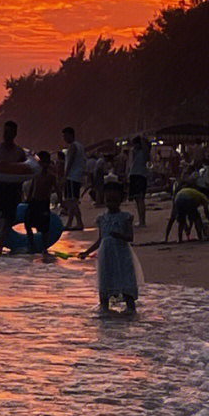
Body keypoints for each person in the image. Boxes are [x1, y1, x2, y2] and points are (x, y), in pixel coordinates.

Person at [80, 176, 139, 314]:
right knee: (107, 280)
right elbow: (100, 239)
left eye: (114, 200)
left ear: (120, 200)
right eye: (108, 200)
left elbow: (130, 237)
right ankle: (104, 310)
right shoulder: (102, 218)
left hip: (122, 255)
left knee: (125, 280)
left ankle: (130, 309)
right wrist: (86, 252)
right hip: (106, 255)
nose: (111, 203)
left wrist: (119, 236)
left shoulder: (126, 217)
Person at [0, 121, 29, 254]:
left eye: (10, 132)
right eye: (5, 131)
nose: (7, 135)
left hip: (11, 190)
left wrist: (21, 193)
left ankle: (0, 249)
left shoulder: (19, 153)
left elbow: (23, 173)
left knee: (7, 220)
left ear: (15, 134)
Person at [24, 150, 55, 259]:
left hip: (44, 202)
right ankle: (31, 244)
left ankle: (44, 248)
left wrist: (61, 200)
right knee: (28, 223)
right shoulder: (35, 174)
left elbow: (57, 189)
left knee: (44, 227)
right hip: (34, 201)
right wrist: (27, 200)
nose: (44, 164)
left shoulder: (51, 176)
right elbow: (32, 187)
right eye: (42, 162)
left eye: (46, 162)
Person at [61, 126, 86, 231]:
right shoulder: (80, 146)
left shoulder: (73, 146)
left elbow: (70, 162)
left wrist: (65, 176)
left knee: (72, 201)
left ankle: (79, 222)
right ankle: (70, 223)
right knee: (73, 201)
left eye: (65, 135)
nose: (64, 138)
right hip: (77, 176)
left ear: (71, 135)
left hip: (72, 177)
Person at [127, 135, 150, 228]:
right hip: (134, 175)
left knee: (140, 199)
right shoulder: (134, 153)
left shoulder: (144, 152)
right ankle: (141, 220)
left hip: (140, 176)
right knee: (137, 199)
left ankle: (142, 221)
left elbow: (146, 147)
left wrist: (142, 137)